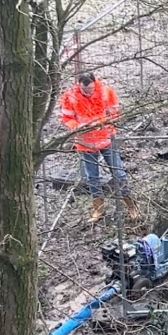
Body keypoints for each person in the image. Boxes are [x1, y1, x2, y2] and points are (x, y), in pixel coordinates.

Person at [59, 72, 139, 223]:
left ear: (94, 83)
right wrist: (79, 127)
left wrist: (103, 123)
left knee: (118, 173)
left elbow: (115, 112)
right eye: (85, 90)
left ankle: (131, 205)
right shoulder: (70, 97)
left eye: (90, 89)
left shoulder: (106, 92)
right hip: (85, 142)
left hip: (106, 138)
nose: (88, 93)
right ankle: (98, 209)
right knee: (92, 177)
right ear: (79, 85)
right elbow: (66, 118)